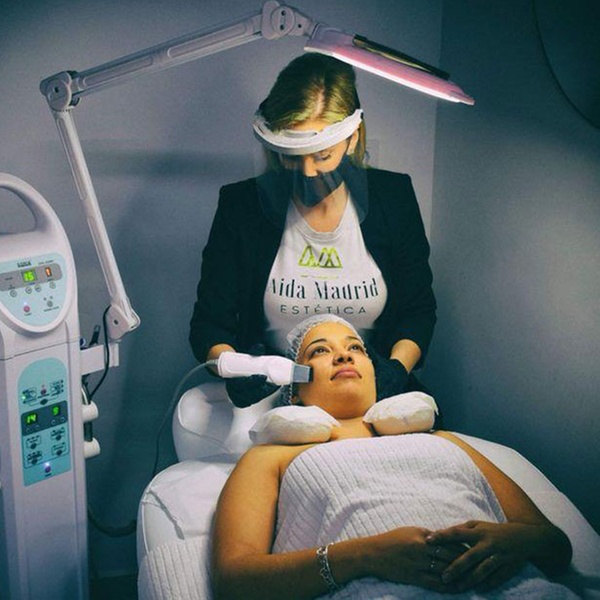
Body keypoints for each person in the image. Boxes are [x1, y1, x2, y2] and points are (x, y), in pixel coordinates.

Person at [210, 315, 574, 600]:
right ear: (294, 391)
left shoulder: (444, 440)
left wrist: (512, 541)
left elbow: (555, 545)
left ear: (374, 373)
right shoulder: (272, 457)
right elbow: (234, 580)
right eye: (319, 351)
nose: (344, 355)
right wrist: (364, 555)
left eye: (356, 348)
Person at [189, 53, 437, 411]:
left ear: (352, 138)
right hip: (278, 399)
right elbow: (209, 325)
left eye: (321, 155)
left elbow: (418, 310)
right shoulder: (242, 207)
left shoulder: (392, 199)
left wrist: (395, 370)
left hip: (371, 395)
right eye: (292, 156)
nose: (306, 172)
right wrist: (238, 367)